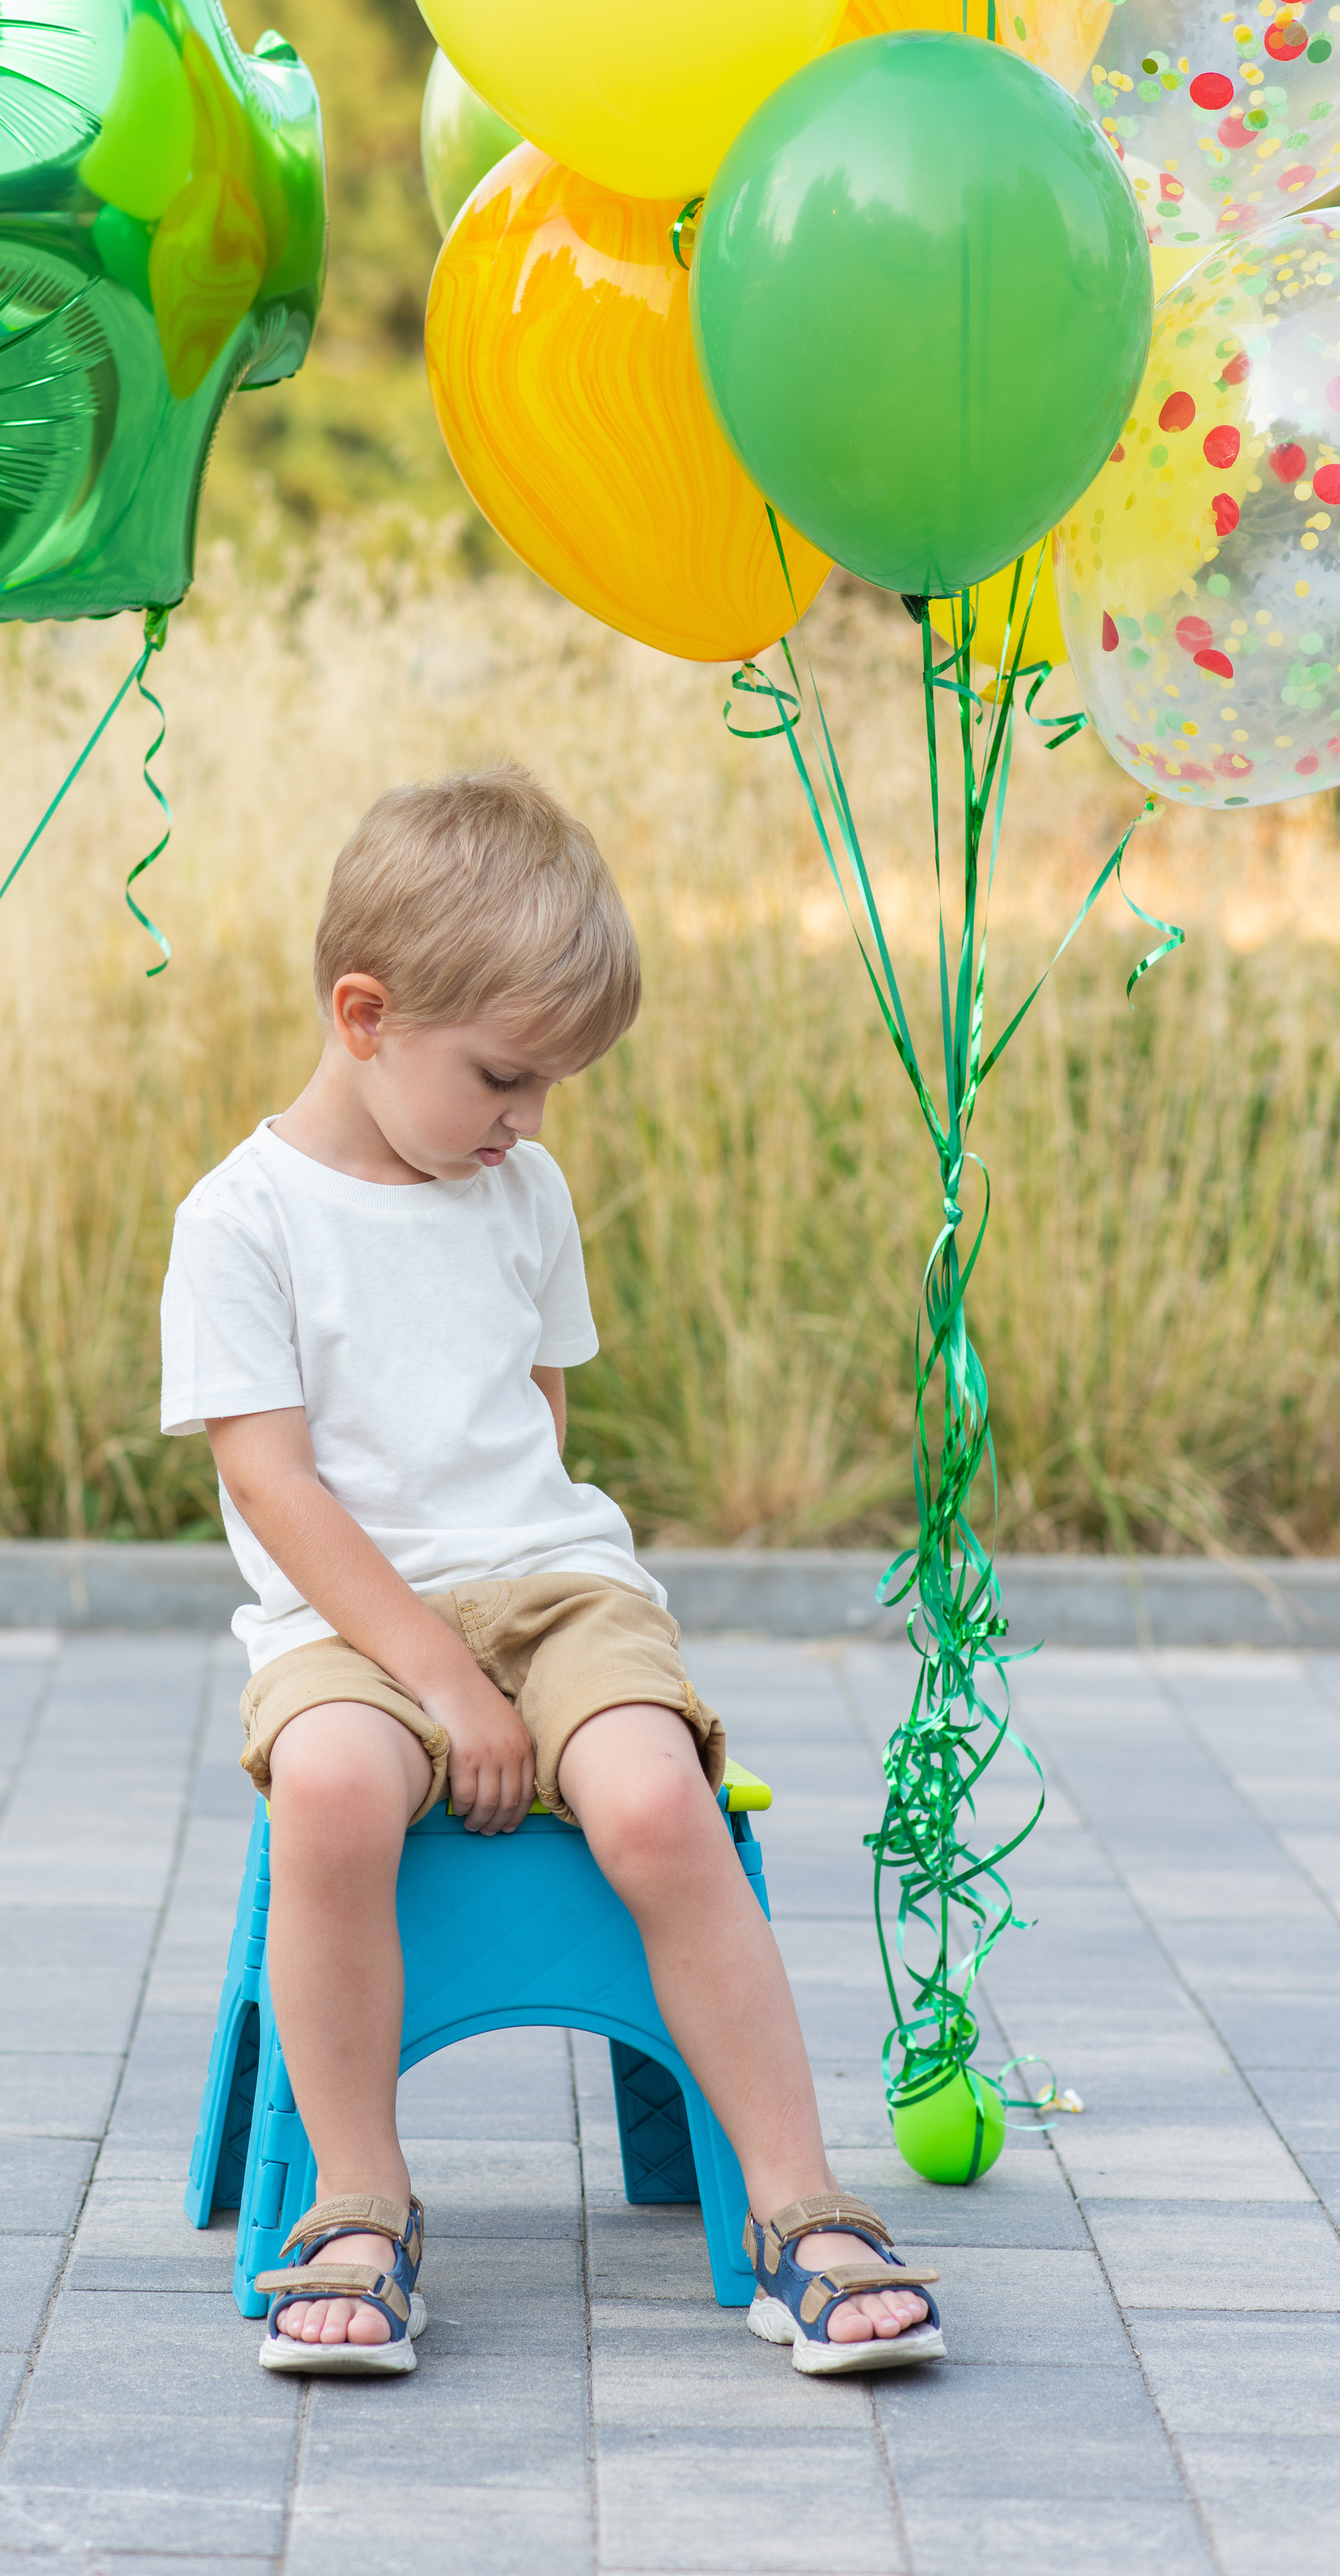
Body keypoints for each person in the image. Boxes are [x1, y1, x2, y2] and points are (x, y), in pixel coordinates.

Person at [159, 763, 942, 2379]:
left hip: (554, 1591)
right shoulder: (242, 1222)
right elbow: (272, 1483)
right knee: (329, 1794)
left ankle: (799, 2207)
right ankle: (358, 2202)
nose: (528, 1120)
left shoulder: (518, 1186)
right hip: (345, 1622)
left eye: (551, 1089)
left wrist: (526, 1664)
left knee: (657, 1799)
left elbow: (533, 1423)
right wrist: (443, 1683)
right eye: (504, 1077)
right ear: (362, 1014)